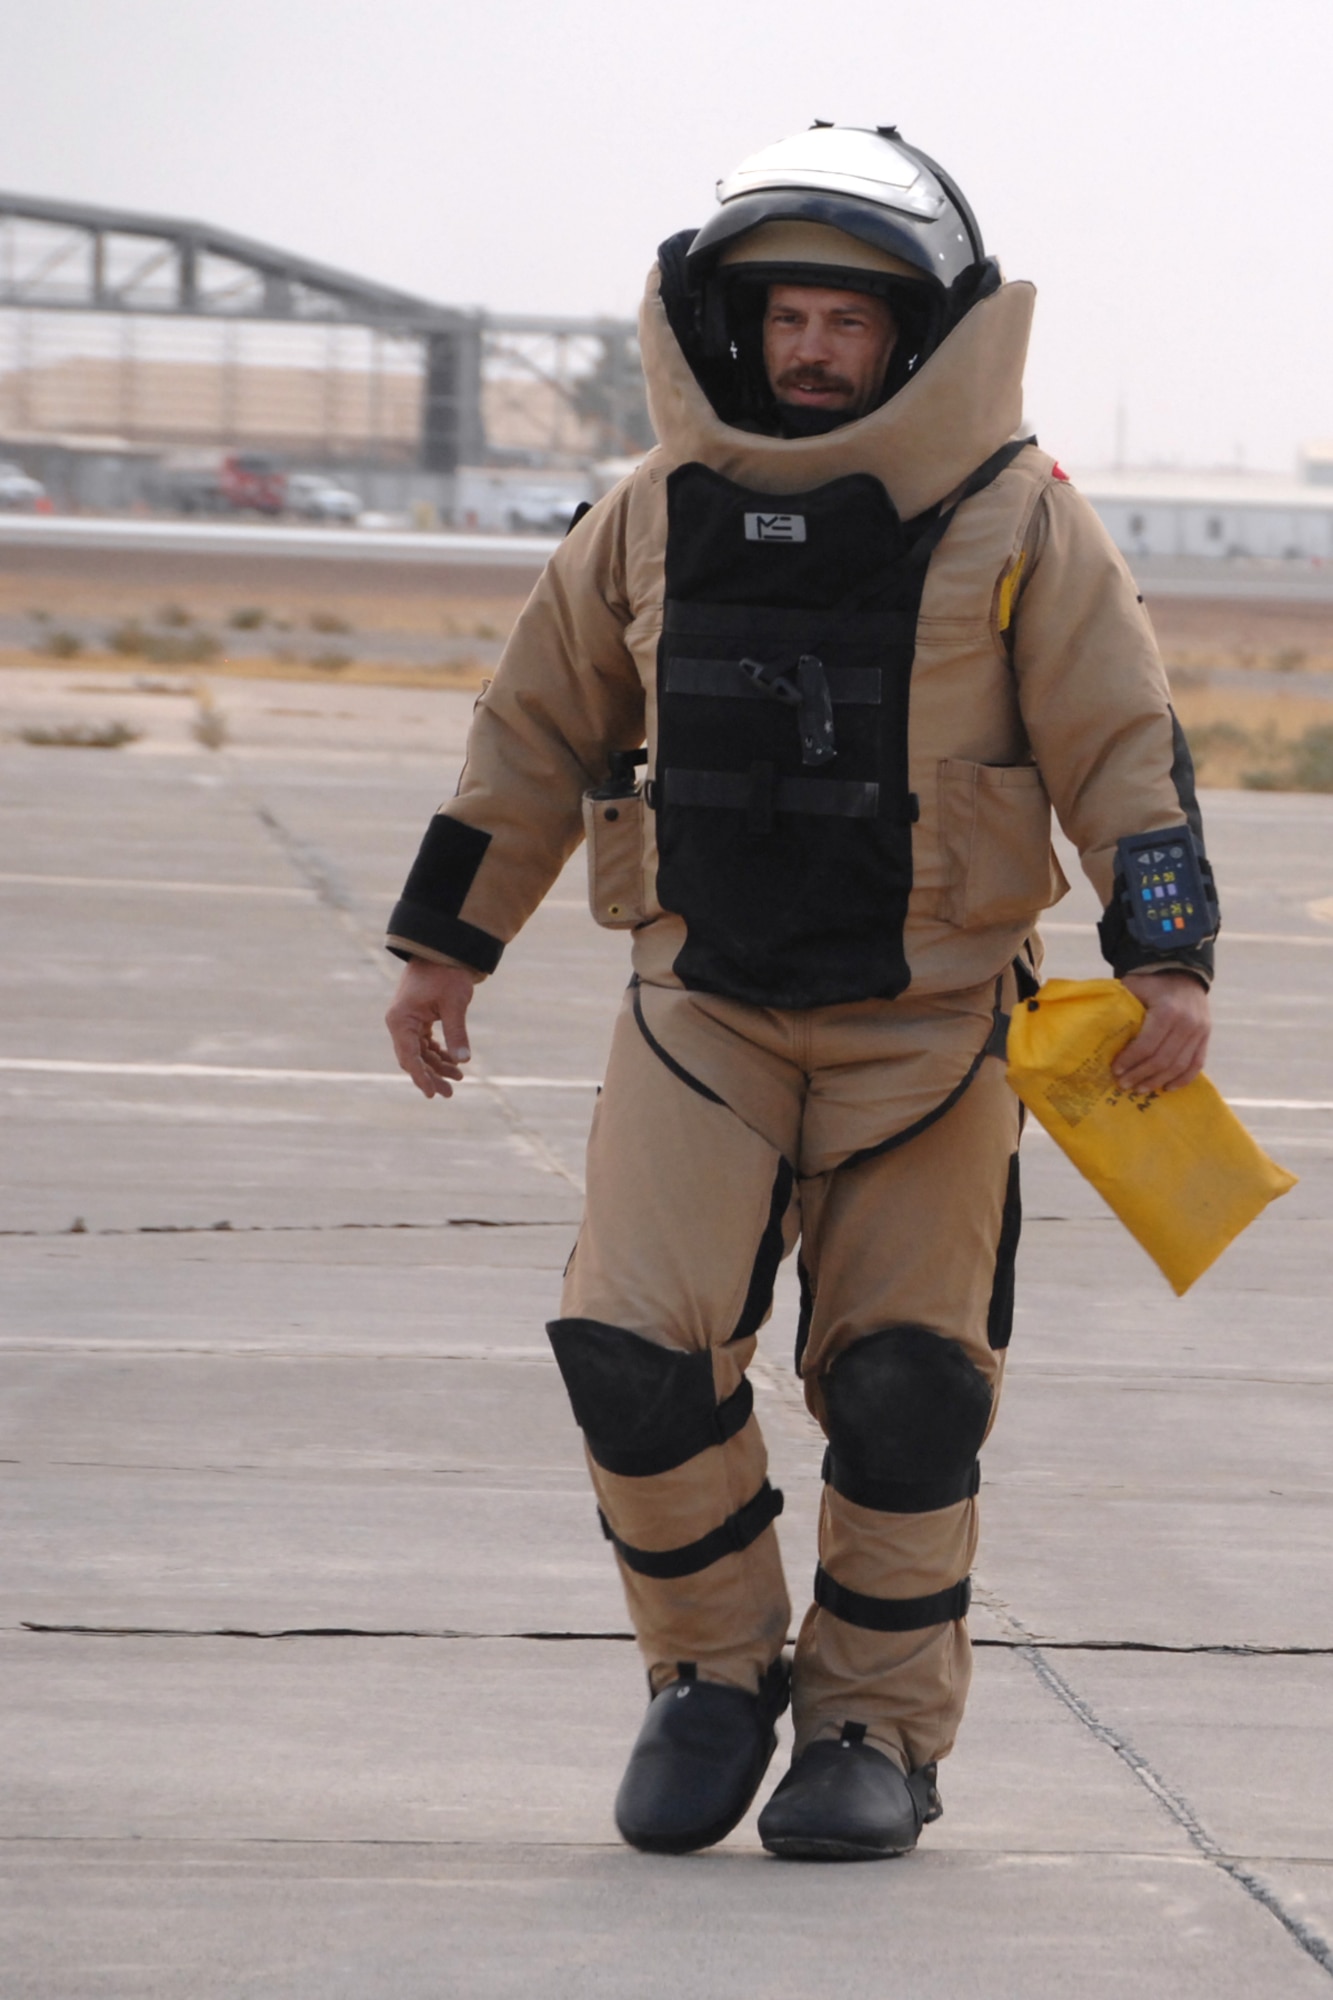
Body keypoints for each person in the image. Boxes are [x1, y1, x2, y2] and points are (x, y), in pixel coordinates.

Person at [385, 123, 1217, 1862]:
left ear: (912, 334)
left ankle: (870, 1734)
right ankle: (707, 1678)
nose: (813, 349)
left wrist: (1168, 958)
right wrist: (444, 947)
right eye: (786, 318)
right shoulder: (641, 518)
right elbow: (531, 733)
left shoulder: (1017, 520)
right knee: (628, 1356)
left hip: (930, 1027)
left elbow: (1123, 751)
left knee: (912, 1389)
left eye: (849, 319)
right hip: (704, 1011)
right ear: (733, 325)